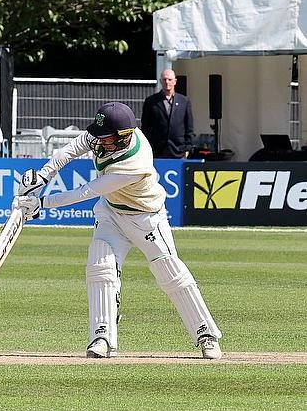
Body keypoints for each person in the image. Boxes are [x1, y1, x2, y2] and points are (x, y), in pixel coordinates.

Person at [13, 102, 222, 360]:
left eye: (105, 138)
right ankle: (102, 336)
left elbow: (87, 191)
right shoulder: (107, 134)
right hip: (111, 213)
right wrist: (42, 177)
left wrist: (41, 204)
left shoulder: (135, 162)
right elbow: (71, 149)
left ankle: (206, 335)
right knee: (100, 266)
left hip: (146, 218)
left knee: (170, 273)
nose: (98, 142)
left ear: (123, 138)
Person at [141, 69, 194, 159]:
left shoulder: (184, 101)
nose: (167, 82)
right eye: (164, 79)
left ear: (175, 81)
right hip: (157, 151)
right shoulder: (151, 101)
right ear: (160, 81)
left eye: (169, 79)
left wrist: (187, 148)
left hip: (179, 151)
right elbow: (145, 126)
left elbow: (189, 127)